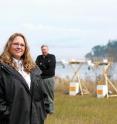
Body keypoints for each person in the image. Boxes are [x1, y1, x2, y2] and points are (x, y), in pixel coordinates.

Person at [0, 33, 50, 124]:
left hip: (35, 119)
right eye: (16, 44)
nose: (19, 47)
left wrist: (42, 112)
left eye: (22, 45)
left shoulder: (33, 68)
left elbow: (43, 94)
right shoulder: (2, 68)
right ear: (9, 45)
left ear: (25, 48)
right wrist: (8, 115)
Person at [36, 45, 56, 114]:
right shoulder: (39, 57)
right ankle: (44, 110)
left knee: (49, 95)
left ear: (47, 50)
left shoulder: (52, 57)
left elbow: (51, 70)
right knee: (42, 95)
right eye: (42, 49)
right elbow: (36, 68)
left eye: (45, 49)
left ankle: (51, 111)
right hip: (40, 79)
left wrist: (41, 67)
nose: (44, 51)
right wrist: (44, 67)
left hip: (49, 79)